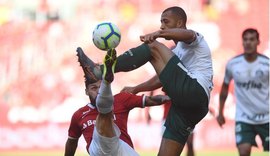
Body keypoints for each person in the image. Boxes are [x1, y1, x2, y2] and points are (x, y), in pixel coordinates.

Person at [81, 6, 213, 156]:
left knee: (152, 47)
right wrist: (137, 88)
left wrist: (158, 34)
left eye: (165, 21)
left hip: (194, 91)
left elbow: (188, 34)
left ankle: (100, 70)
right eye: (160, 22)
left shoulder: (196, 40)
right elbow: (160, 78)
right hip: (190, 109)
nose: (162, 25)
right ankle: (101, 70)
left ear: (179, 22)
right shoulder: (176, 53)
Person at [64, 48, 170, 155]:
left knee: (105, 112)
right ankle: (106, 81)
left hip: (122, 150)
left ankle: (104, 79)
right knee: (104, 116)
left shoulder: (121, 99)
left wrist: (168, 98)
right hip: (99, 150)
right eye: (94, 88)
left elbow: (150, 100)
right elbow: (72, 142)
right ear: (86, 91)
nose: (98, 91)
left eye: (100, 87)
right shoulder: (79, 115)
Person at [216, 28, 269, 156]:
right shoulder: (233, 64)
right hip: (244, 118)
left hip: (267, 117)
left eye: (252, 39)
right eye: (245, 40)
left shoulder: (267, 64)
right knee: (244, 152)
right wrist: (220, 112)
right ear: (242, 42)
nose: (248, 43)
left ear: (258, 42)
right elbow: (224, 88)